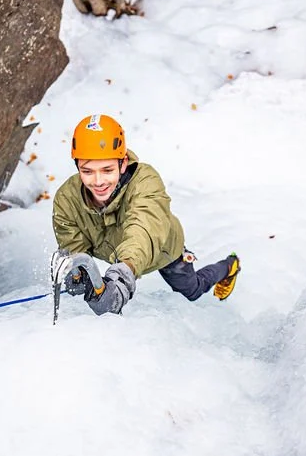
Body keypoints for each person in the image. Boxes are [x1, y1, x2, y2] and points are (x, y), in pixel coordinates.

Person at [52, 113, 240, 316]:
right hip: (118, 256)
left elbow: (143, 227)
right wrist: (80, 275)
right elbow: (74, 246)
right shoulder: (67, 199)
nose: (98, 181)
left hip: (162, 248)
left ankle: (229, 266)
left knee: (192, 291)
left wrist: (123, 274)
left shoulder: (146, 181)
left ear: (123, 163)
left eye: (107, 170)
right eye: (87, 171)